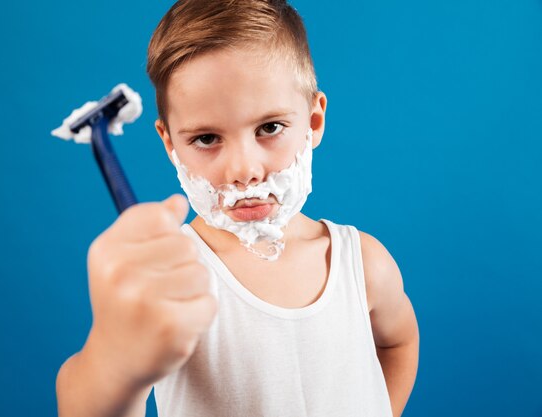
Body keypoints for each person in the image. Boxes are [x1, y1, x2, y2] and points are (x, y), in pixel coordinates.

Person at [55, 0, 420, 416]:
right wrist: (114, 358)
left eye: (269, 128)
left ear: (314, 123)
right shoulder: (174, 280)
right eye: (207, 139)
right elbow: (82, 403)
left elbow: (399, 341)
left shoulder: (363, 263)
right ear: (170, 144)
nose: (243, 170)